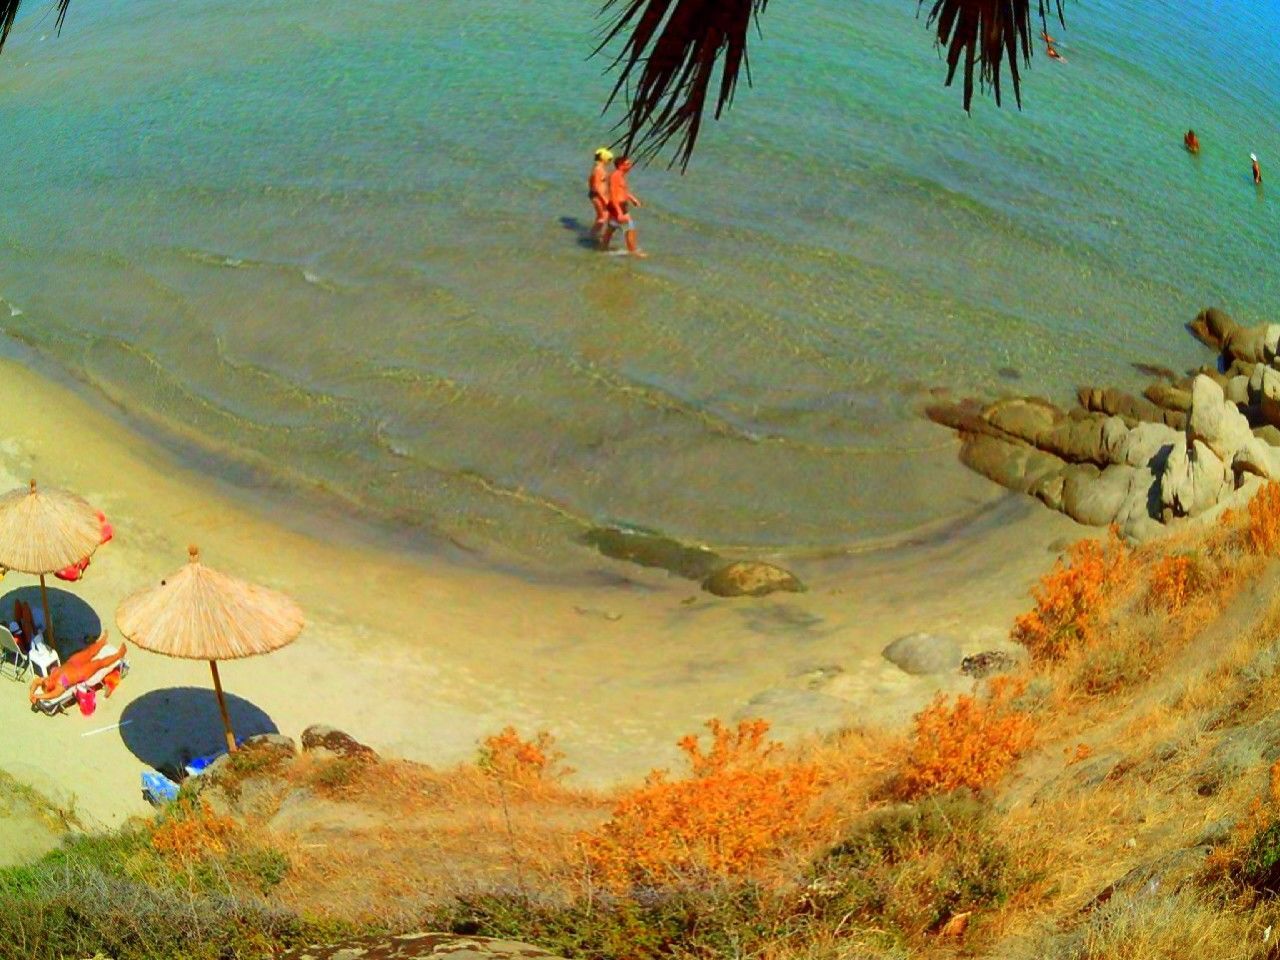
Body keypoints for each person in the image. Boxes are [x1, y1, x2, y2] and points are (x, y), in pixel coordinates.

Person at [600, 156, 647, 258]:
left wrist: (632, 198)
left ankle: (603, 247)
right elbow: (613, 194)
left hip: (619, 206)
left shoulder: (620, 175)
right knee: (630, 229)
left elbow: (622, 190)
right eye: (628, 164)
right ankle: (633, 251)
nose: (630, 166)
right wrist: (619, 212)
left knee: (612, 227)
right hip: (617, 206)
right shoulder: (615, 176)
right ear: (621, 166)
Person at [588, 147, 613, 236]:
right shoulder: (598, 169)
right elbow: (596, 186)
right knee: (603, 217)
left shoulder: (599, 168)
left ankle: (595, 234)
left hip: (599, 195)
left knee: (604, 215)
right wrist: (605, 200)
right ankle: (591, 235)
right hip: (597, 195)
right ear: (604, 159)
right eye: (609, 159)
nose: (610, 162)